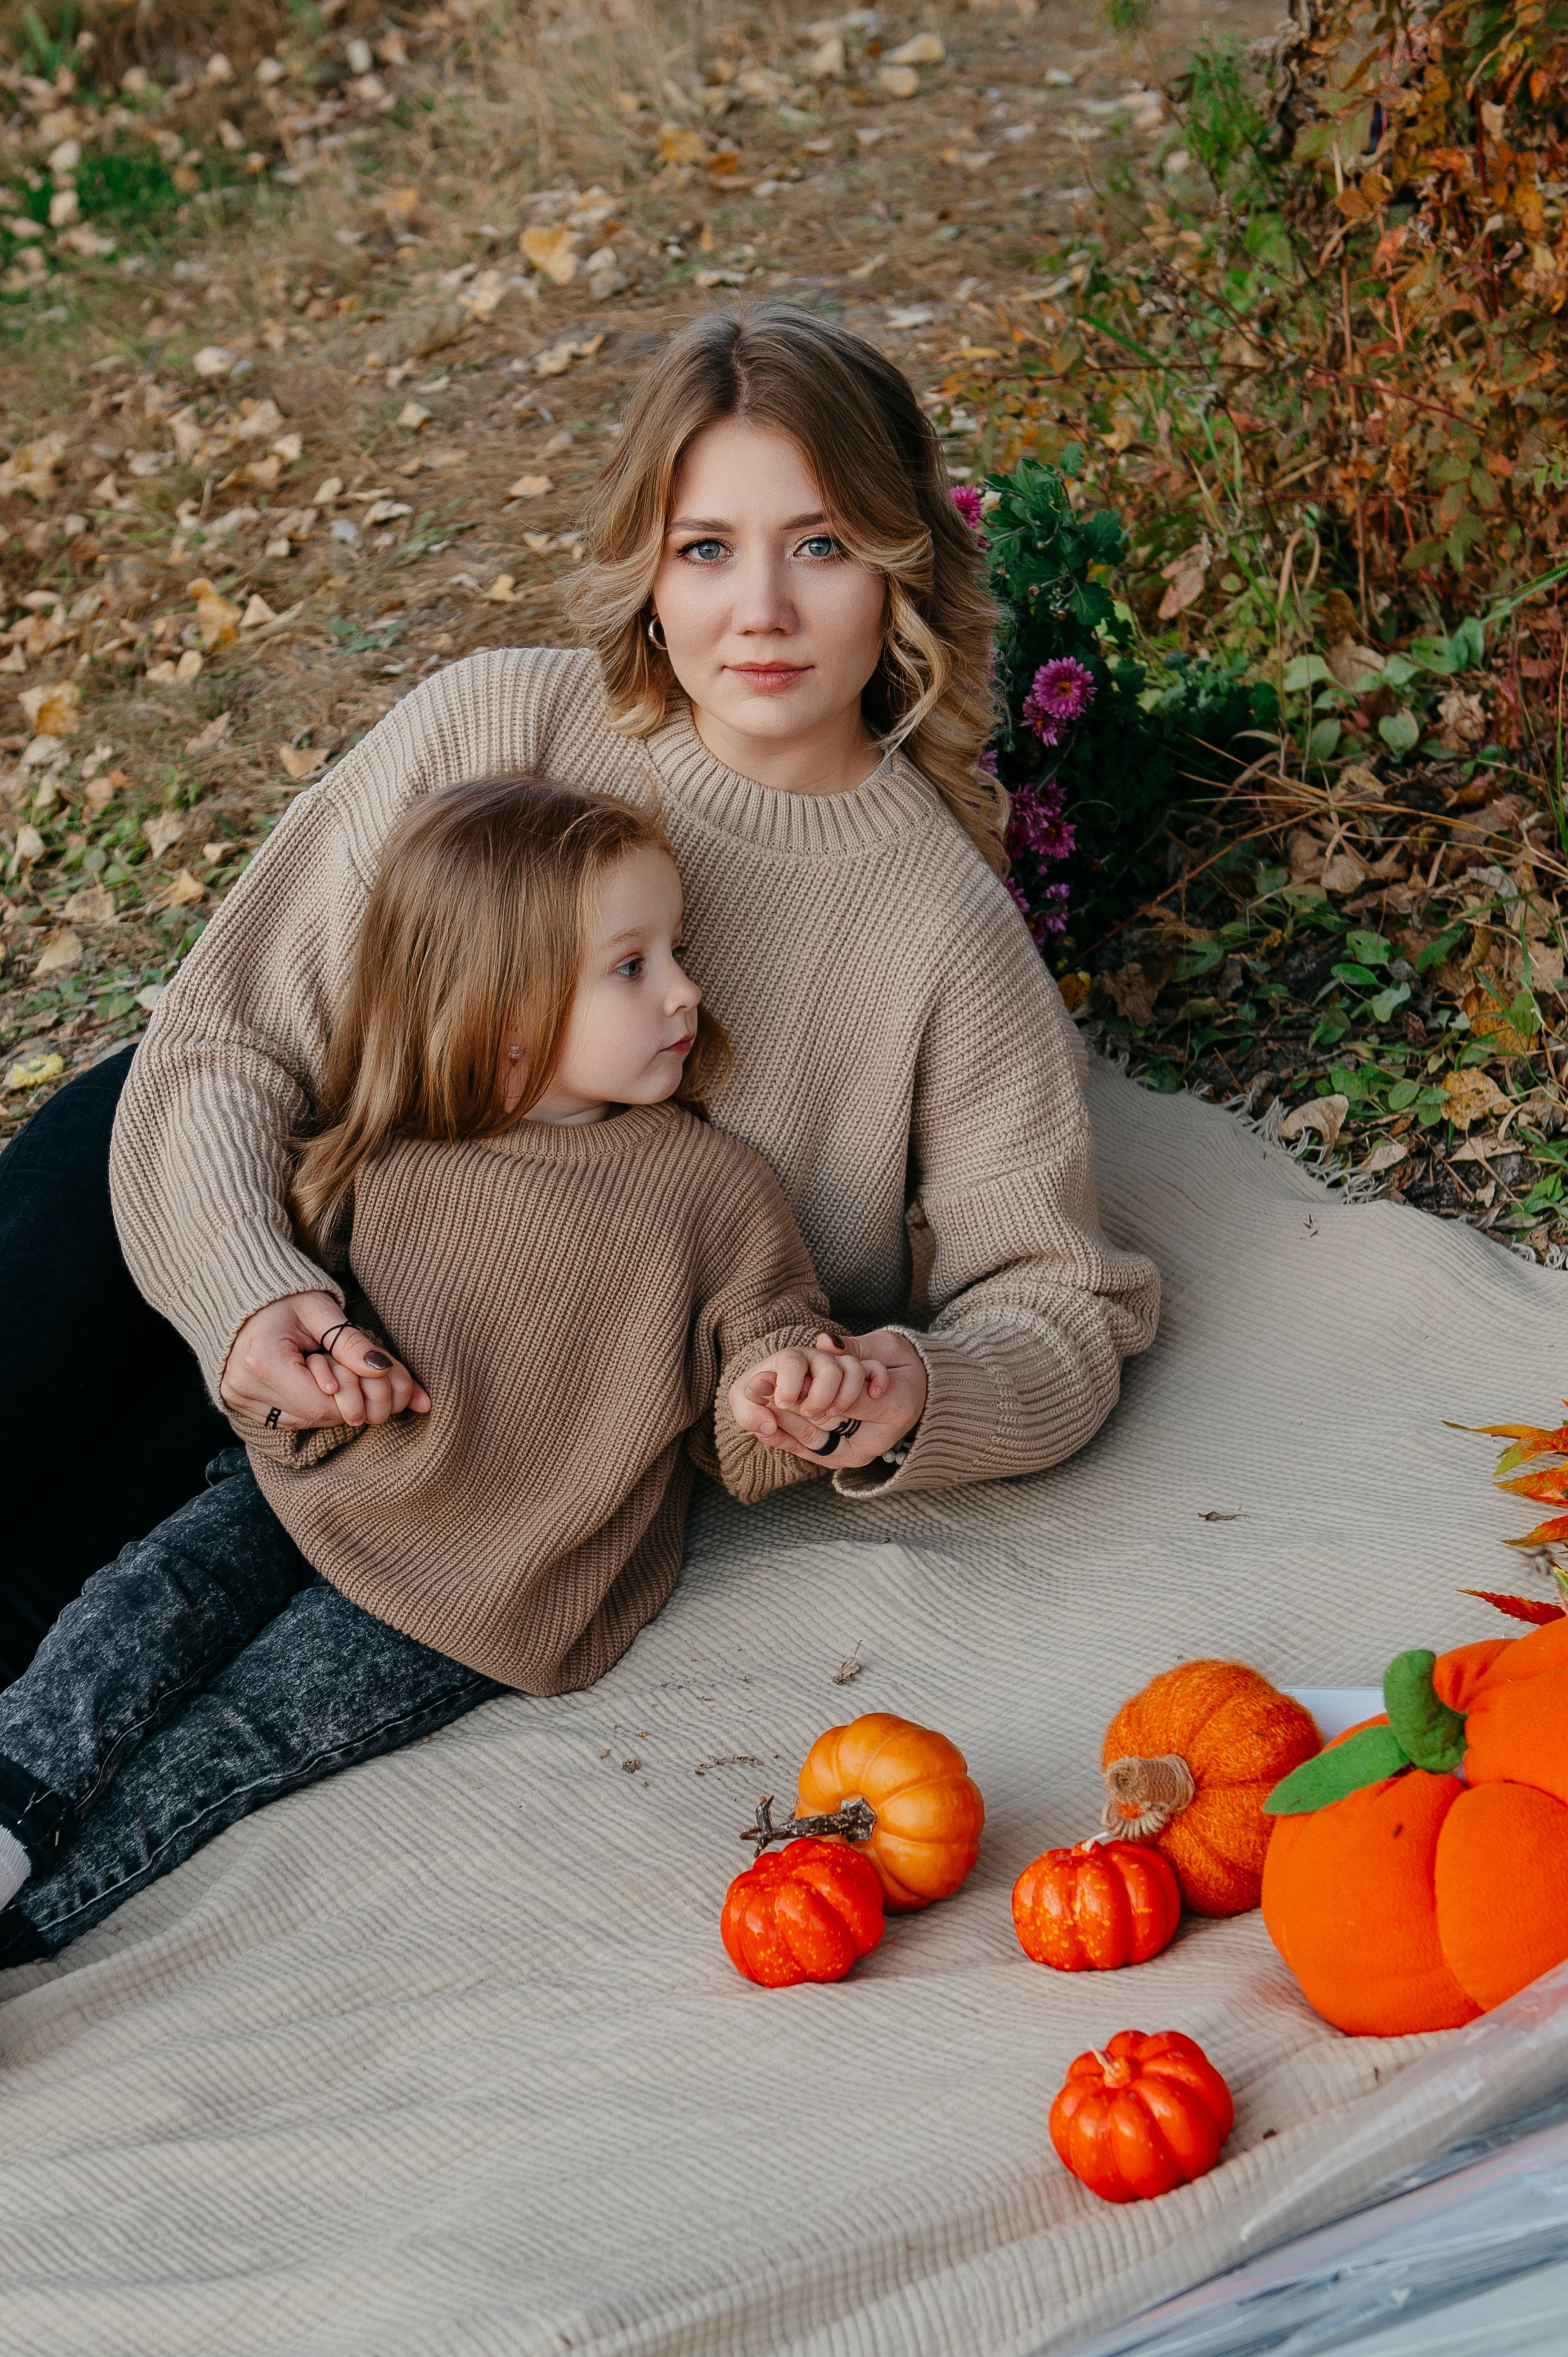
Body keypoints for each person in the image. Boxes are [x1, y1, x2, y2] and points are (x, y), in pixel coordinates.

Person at [1, 298, 1160, 1683]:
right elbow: (228, 1036)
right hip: (250, 1236)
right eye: (706, 548)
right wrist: (244, 1289)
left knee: (44, 1625)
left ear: (901, 568)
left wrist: (915, 1385)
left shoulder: (942, 931)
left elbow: (1060, 1298)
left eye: (822, 546)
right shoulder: (503, 719)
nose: (762, 611)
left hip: (471, 1419)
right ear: (648, 570)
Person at [0, 775, 883, 1963]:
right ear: (501, 1007)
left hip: (478, 1588)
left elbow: (756, 1370)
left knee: (239, 1739)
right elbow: (287, 1366)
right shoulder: (392, 1149)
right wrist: (306, 1392)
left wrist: (784, 1398)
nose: (684, 991)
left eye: (675, 953)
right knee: (142, 1605)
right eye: (632, 967)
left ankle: (32, 1928)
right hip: (306, 1495)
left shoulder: (711, 1189)